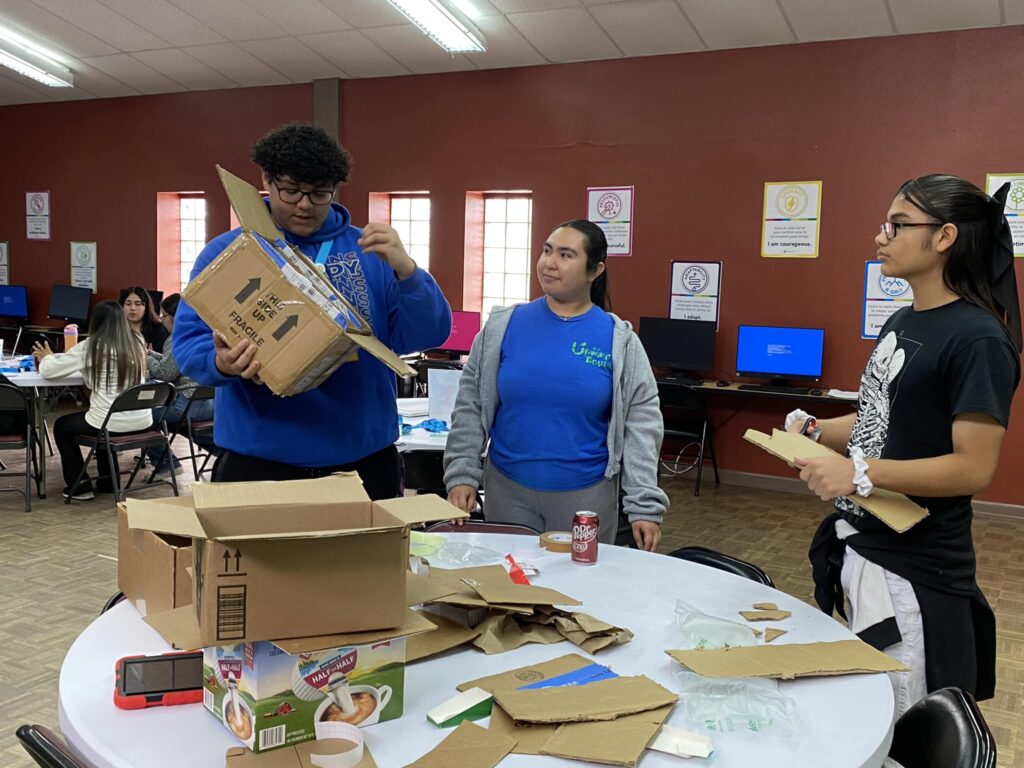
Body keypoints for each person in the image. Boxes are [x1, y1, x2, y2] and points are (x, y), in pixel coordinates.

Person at [795, 174, 1021, 717]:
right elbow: (881, 416)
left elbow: (973, 469)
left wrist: (861, 474)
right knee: (867, 704)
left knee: (899, 720)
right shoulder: (902, 320)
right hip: (866, 547)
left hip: (916, 571)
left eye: (897, 225)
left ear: (944, 237)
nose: (880, 237)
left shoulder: (979, 339)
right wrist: (819, 431)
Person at [173, 123, 451, 498]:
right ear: (266, 181)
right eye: (291, 191)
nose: (304, 204)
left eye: (319, 193)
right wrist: (222, 363)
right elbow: (188, 345)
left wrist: (408, 271)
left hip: (363, 459)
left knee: (364, 559)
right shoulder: (229, 252)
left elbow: (429, 334)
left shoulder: (370, 251)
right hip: (259, 460)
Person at [443, 220, 668, 551]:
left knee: (576, 596)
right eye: (547, 250)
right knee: (509, 593)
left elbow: (642, 426)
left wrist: (643, 505)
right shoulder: (502, 327)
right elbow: (471, 404)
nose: (549, 262)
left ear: (595, 270)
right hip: (507, 491)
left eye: (566, 255)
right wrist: (462, 472)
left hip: (585, 497)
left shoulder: (619, 340)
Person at [34, 300, 153, 500]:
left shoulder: (92, 346)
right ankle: (108, 481)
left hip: (109, 423)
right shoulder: (137, 341)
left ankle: (80, 486)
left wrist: (47, 356)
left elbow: (49, 371)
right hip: (142, 420)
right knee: (104, 420)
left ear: (95, 323)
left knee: (63, 427)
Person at [144, 293, 214, 478]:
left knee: (143, 416)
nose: (162, 320)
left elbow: (164, 373)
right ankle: (225, 455)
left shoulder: (177, 338)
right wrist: (151, 355)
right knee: (181, 425)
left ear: (174, 317)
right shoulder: (203, 334)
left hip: (188, 404)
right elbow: (172, 363)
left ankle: (167, 464)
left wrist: (143, 358)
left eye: (163, 316)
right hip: (209, 403)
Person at [120, 287, 169, 353]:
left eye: (138, 304)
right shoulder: (116, 329)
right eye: (128, 304)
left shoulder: (158, 330)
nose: (132, 308)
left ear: (146, 307)